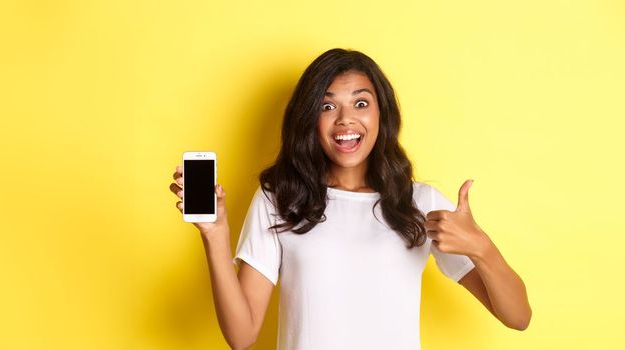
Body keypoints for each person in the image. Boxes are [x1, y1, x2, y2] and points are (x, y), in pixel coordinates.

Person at [169, 48, 531, 350]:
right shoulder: (279, 199)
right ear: (309, 119)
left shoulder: (419, 203)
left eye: (360, 103)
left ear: (381, 114)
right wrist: (215, 235)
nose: (345, 120)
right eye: (328, 107)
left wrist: (481, 246)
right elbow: (242, 335)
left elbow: (517, 317)